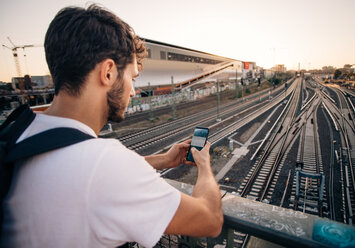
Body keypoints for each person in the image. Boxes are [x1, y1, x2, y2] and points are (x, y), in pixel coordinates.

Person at [0, 4, 223, 248]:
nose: (133, 90)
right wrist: (203, 164)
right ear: (108, 72)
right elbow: (209, 220)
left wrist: (163, 160)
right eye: (132, 77)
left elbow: (80, 172)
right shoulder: (106, 163)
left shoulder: (20, 129)